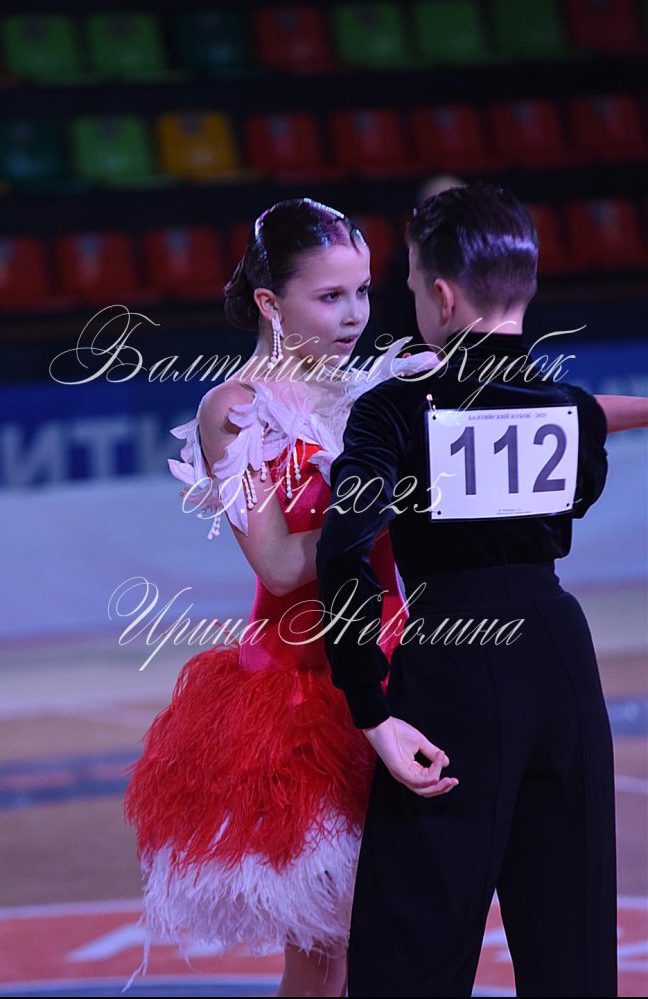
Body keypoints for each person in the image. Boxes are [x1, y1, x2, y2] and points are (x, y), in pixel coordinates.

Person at [315, 182, 647, 997]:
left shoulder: (391, 412)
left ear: (439, 294)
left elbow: (345, 549)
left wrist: (372, 710)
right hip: (560, 660)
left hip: (448, 661)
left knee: (409, 955)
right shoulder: (571, 409)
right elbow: (575, 483)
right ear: (525, 286)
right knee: (572, 952)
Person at [121, 197, 442, 998]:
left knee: (409, 924)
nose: (355, 314)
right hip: (304, 689)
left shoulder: (377, 388)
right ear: (270, 301)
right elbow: (277, 559)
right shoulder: (235, 410)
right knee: (326, 950)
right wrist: (383, 500)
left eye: (362, 291)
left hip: (402, 666)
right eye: (330, 296)